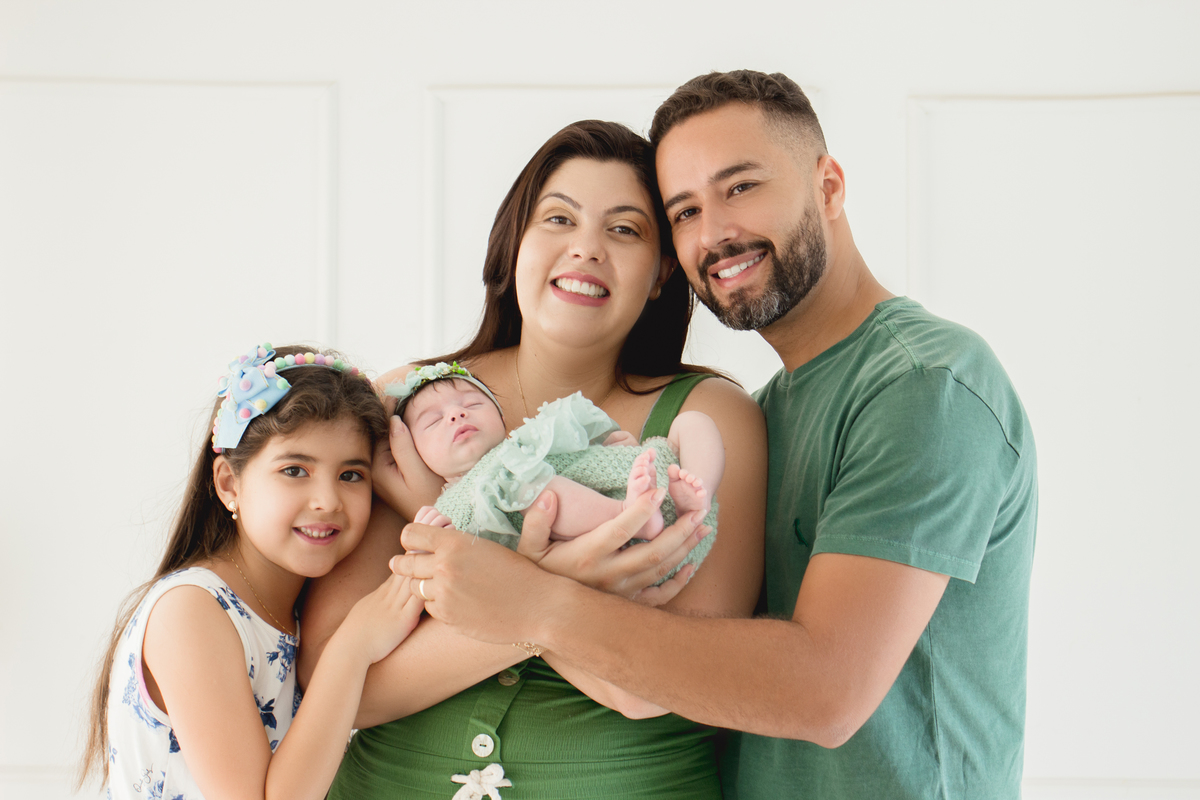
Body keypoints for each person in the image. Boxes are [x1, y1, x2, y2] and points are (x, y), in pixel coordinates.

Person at [392, 70, 1039, 800]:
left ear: (828, 187)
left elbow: (826, 692)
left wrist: (534, 603)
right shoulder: (772, 408)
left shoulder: (925, 385)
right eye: (686, 210)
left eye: (741, 187)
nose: (714, 232)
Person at [299, 120, 767, 799]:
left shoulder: (708, 420)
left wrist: (482, 557)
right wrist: (568, 590)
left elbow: (658, 688)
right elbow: (337, 679)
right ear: (515, 241)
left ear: (663, 271)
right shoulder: (408, 407)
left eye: (624, 229)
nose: (586, 248)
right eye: (559, 218)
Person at [79, 343, 425, 800]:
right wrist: (353, 645)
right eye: (295, 470)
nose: (327, 501)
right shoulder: (192, 610)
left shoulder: (300, 611)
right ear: (229, 483)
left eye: (350, 475)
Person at [392, 361, 722, 565]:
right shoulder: (459, 503)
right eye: (433, 421)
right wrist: (424, 547)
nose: (456, 414)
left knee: (693, 421)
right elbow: (442, 576)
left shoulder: (534, 438)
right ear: (416, 453)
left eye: (472, 404)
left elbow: (580, 453)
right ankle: (626, 516)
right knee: (526, 484)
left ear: (502, 419)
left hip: (668, 494)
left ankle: (698, 490)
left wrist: (609, 445)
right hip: (617, 541)